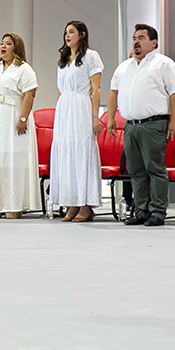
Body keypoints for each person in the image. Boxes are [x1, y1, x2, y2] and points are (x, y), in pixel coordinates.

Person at [106, 24, 175, 227]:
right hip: (130, 126)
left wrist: (174, 120)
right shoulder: (124, 66)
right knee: (136, 171)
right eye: (135, 38)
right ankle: (141, 210)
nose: (136, 41)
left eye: (141, 37)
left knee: (155, 169)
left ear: (154, 43)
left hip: (153, 124)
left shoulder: (163, 63)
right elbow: (113, 92)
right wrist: (110, 118)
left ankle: (158, 212)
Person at [0, 33, 41, 218]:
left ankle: (14, 204)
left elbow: (30, 94)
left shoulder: (24, 69)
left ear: (16, 47)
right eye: (1, 43)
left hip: (14, 116)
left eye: (8, 43)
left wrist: (22, 118)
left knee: (14, 159)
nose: (3, 46)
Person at [51, 21, 104, 222]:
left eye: (71, 31)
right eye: (65, 32)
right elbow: (60, 89)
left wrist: (94, 116)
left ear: (82, 34)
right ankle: (71, 202)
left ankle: (86, 204)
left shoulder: (91, 56)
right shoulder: (63, 59)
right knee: (66, 153)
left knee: (82, 151)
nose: (67, 35)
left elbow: (96, 88)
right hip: (65, 108)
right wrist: (58, 113)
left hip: (81, 106)